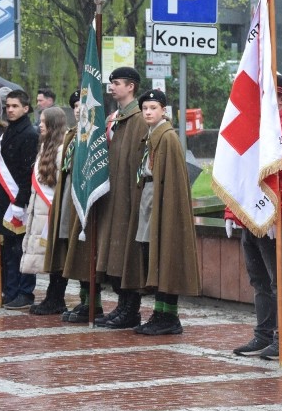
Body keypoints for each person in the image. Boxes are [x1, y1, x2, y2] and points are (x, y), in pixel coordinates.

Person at [229, 75, 282, 359]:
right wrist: (232, 210)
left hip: (274, 219)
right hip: (252, 215)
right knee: (259, 281)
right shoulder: (257, 128)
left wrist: (277, 216)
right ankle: (263, 335)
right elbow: (240, 171)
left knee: (281, 281)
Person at [66, 67, 148, 329]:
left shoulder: (138, 119)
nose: (111, 87)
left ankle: (131, 309)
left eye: (117, 83)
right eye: (111, 83)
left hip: (129, 198)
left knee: (128, 255)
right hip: (112, 196)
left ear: (131, 86)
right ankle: (122, 306)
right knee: (113, 253)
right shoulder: (114, 118)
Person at [132, 89, 201, 335]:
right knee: (153, 256)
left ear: (163, 111)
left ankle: (169, 316)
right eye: (145, 109)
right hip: (150, 200)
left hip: (161, 201)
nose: (148, 112)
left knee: (164, 257)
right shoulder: (151, 135)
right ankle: (160, 313)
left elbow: (172, 181)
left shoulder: (167, 137)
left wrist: (166, 211)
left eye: (153, 108)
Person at [0, 89, 39, 309]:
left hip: (18, 201)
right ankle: (9, 290)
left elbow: (26, 174)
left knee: (20, 250)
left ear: (25, 108)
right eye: (8, 106)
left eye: (15, 106)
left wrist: (20, 202)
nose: (10, 110)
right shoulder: (6, 131)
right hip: (4, 201)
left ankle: (25, 292)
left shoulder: (30, 134)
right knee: (7, 249)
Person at [45, 91, 100, 322]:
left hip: (84, 197)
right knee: (71, 249)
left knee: (85, 251)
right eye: (75, 106)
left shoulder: (93, 136)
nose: (78, 109)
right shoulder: (72, 134)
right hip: (68, 195)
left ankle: (93, 303)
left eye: (82, 105)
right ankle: (83, 299)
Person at [21, 107, 69, 315]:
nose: (40, 125)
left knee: (56, 256)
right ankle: (52, 296)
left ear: (54, 124)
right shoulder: (45, 147)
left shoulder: (61, 150)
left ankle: (56, 297)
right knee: (48, 256)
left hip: (52, 211)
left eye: (44, 121)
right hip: (40, 210)